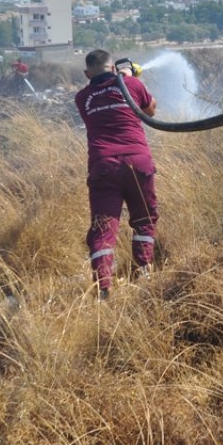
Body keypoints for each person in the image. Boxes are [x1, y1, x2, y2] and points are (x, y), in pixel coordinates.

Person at [74, 49, 160, 300]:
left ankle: (103, 289)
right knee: (144, 219)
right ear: (112, 68)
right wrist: (128, 76)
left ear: (86, 73)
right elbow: (151, 111)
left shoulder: (83, 98)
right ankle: (145, 271)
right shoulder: (131, 84)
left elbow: (101, 99)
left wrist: (119, 77)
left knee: (103, 229)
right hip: (138, 162)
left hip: (103, 167)